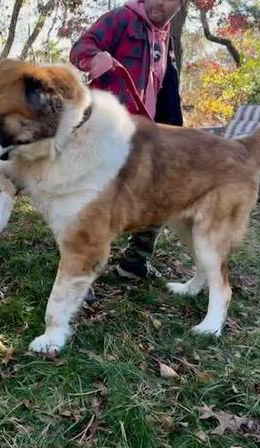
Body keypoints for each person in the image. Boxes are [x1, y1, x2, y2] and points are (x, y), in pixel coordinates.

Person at [70, 0, 184, 281]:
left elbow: (165, 89)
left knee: (161, 194)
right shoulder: (122, 18)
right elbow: (80, 48)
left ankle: (134, 264)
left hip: (146, 136)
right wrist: (94, 58)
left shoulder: (165, 37)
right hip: (108, 132)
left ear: (180, 5)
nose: (159, 1)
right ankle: (81, 273)